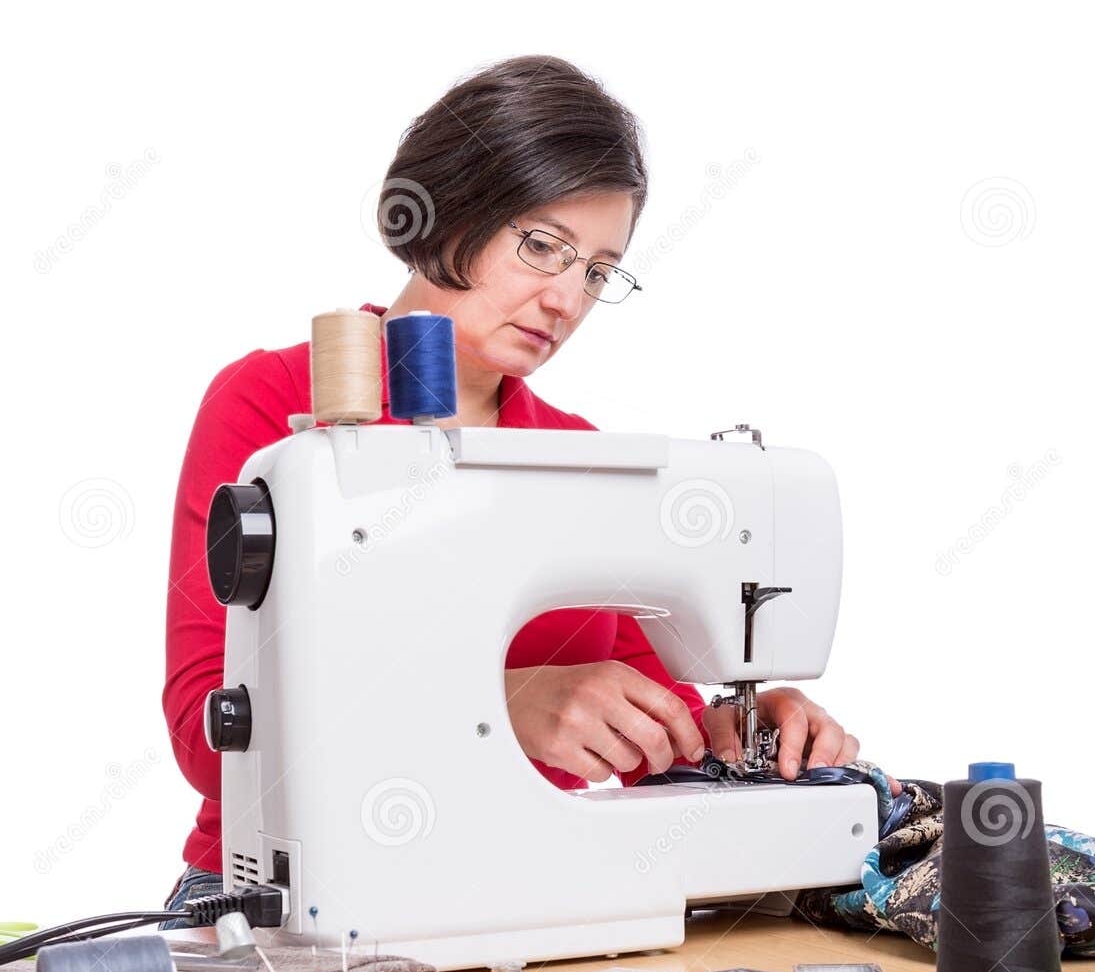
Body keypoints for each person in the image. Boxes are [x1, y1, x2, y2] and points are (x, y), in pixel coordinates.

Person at [161, 54, 892, 926]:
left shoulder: (579, 455)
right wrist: (505, 705)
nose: (564, 299)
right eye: (541, 246)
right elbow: (208, 733)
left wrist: (746, 728)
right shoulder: (275, 403)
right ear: (446, 209)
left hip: (528, 900)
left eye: (594, 271)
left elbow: (660, 733)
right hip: (278, 908)